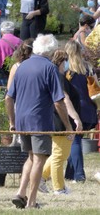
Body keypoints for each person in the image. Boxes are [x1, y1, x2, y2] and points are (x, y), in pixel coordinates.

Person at [6, 34, 72, 209]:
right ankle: (31, 201)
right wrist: (68, 126)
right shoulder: (50, 68)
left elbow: (8, 98)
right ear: (50, 51)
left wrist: (12, 121)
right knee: (39, 159)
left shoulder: (21, 66)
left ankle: (20, 193)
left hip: (22, 120)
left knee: (31, 157)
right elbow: (59, 101)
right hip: (39, 121)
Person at [40, 49, 82, 195]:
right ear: (62, 61)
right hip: (60, 120)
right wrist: (76, 118)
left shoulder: (57, 75)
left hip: (58, 119)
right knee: (59, 155)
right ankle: (59, 188)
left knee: (61, 154)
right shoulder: (58, 75)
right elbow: (64, 99)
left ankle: (41, 177)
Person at [63, 41, 98, 183]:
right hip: (89, 108)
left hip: (73, 109)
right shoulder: (88, 68)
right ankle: (70, 173)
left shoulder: (65, 69)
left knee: (74, 140)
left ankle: (79, 174)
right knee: (74, 140)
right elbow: (96, 88)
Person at [0, 21, 21, 86]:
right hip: (18, 73)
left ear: (1, 32)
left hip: (3, 75)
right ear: (13, 31)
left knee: (4, 94)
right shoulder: (20, 42)